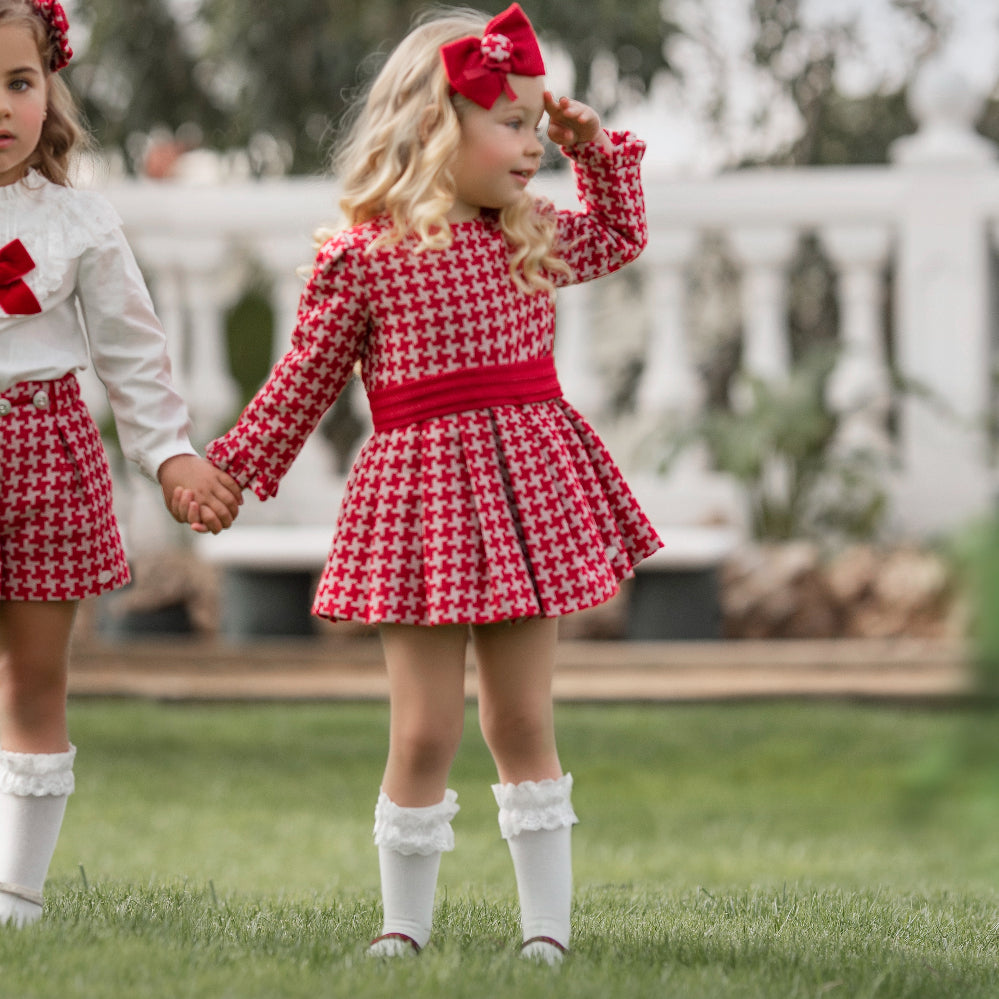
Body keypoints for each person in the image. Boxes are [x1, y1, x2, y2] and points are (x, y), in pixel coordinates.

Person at [192, 2, 661, 963]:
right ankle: (402, 927)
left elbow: (620, 236)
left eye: (538, 124)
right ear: (435, 126)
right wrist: (229, 470)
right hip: (423, 506)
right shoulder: (360, 260)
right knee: (423, 730)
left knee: (523, 718)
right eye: (513, 122)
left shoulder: (530, 234)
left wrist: (594, 146)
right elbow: (302, 384)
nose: (531, 146)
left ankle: (547, 934)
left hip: (528, 492)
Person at [0, 0, 243, 927]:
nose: (5, 106)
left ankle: (16, 891)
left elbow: (134, 357)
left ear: (49, 90)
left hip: (46, 457)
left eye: (20, 82)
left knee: (34, 678)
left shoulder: (80, 222)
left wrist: (171, 457)